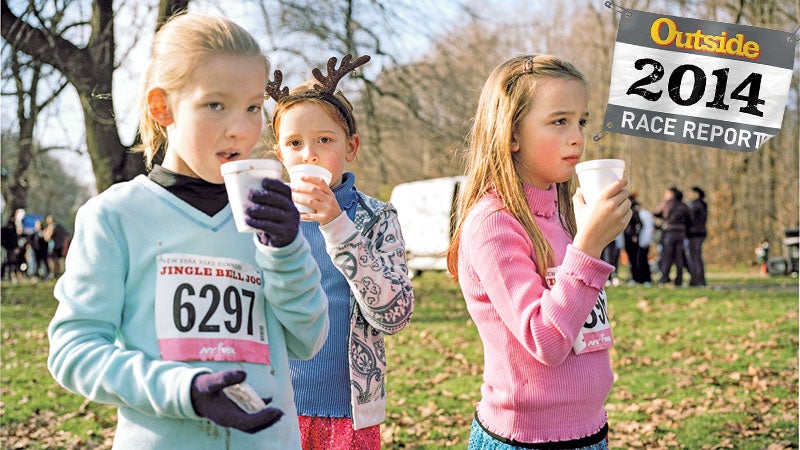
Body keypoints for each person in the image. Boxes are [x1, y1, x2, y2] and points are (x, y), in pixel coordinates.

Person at [47, 13, 330, 450]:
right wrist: (185, 392)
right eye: (215, 104)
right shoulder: (114, 217)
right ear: (164, 108)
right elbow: (74, 352)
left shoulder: (273, 215)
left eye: (253, 106)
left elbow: (306, 342)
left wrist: (287, 251)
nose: (240, 127)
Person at [446, 55, 631, 449]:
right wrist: (589, 245)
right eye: (559, 121)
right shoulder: (494, 222)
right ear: (511, 134)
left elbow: (581, 322)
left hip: (589, 432)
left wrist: (585, 237)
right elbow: (544, 340)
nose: (578, 137)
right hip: (523, 441)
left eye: (581, 120)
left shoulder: (563, 217)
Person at [267, 54, 415, 450]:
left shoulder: (377, 217)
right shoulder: (265, 217)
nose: (309, 154)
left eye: (324, 140)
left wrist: (337, 225)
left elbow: (395, 316)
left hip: (350, 412)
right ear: (280, 153)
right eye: (294, 143)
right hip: (275, 406)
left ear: (351, 147)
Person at [653, 186, 690, 286]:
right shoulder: (684, 206)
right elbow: (689, 219)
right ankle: (679, 279)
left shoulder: (667, 204)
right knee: (679, 257)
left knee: (666, 256)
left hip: (669, 233)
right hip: (681, 233)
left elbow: (656, 212)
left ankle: (664, 278)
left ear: (671, 194)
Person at [624, 195, 654, 285]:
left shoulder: (633, 213)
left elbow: (639, 224)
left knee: (637, 260)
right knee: (634, 260)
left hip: (633, 240)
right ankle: (638, 278)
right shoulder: (628, 213)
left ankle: (640, 278)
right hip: (629, 239)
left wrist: (635, 235)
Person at [686, 186, 708, 286]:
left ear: (696, 194)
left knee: (694, 258)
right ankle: (700, 279)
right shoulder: (702, 205)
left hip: (694, 234)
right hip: (700, 233)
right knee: (697, 257)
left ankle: (696, 280)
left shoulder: (694, 205)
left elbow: (689, 219)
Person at [1, 216, 21, 283]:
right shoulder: (12, 229)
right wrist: (16, 247)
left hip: (6, 248)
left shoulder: (4, 228)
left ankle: (5, 276)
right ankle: (12, 276)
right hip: (11, 248)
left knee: (7, 262)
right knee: (12, 263)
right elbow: (14, 239)